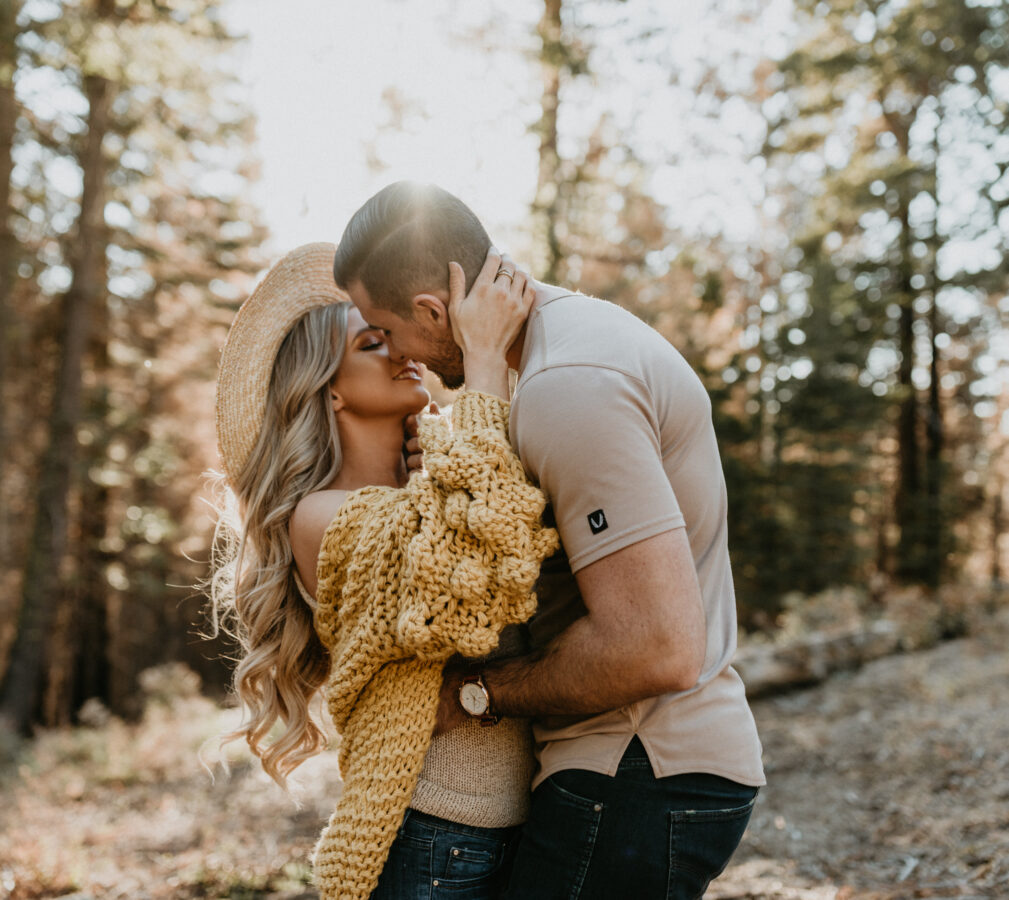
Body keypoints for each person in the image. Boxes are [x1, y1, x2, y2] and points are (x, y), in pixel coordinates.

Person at [332, 181, 767, 899]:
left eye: (384, 334)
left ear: (431, 310)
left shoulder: (566, 387)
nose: (397, 356)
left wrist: (475, 694)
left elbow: (655, 646)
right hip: (635, 769)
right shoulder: (564, 349)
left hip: (635, 769)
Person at [209, 242, 558, 900]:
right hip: (434, 839)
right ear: (329, 391)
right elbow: (468, 586)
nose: (406, 352)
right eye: (375, 342)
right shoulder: (318, 518)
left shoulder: (438, 481)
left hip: (513, 827)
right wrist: (483, 363)